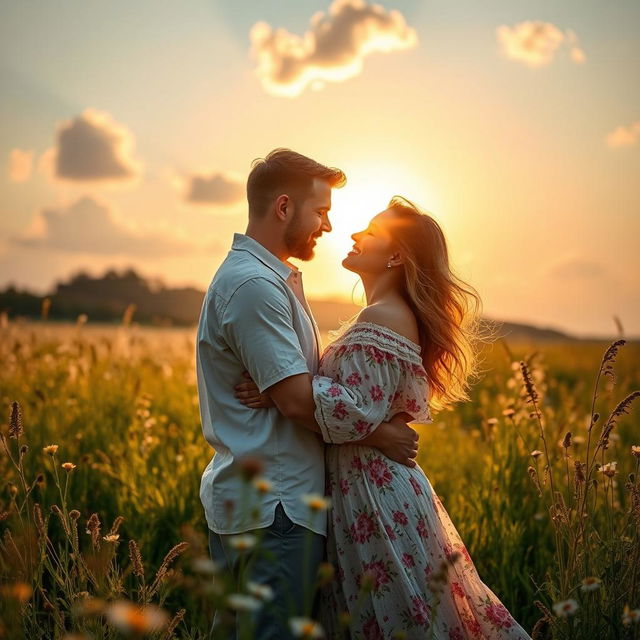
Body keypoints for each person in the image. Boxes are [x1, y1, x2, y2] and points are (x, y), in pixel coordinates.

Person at [236, 197, 533, 639]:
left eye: (370, 232)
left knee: (403, 614)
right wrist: (292, 389)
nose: (355, 235)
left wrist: (284, 389)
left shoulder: (384, 317)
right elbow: (361, 407)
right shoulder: (381, 316)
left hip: (374, 493)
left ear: (395, 256)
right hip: (366, 484)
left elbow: (354, 409)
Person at [196, 149, 419, 640]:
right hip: (274, 506)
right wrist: (381, 434)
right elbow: (298, 399)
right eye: (320, 212)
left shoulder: (272, 280)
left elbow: (297, 388)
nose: (328, 225)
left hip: (272, 504)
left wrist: (282, 390)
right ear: (283, 208)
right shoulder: (255, 285)